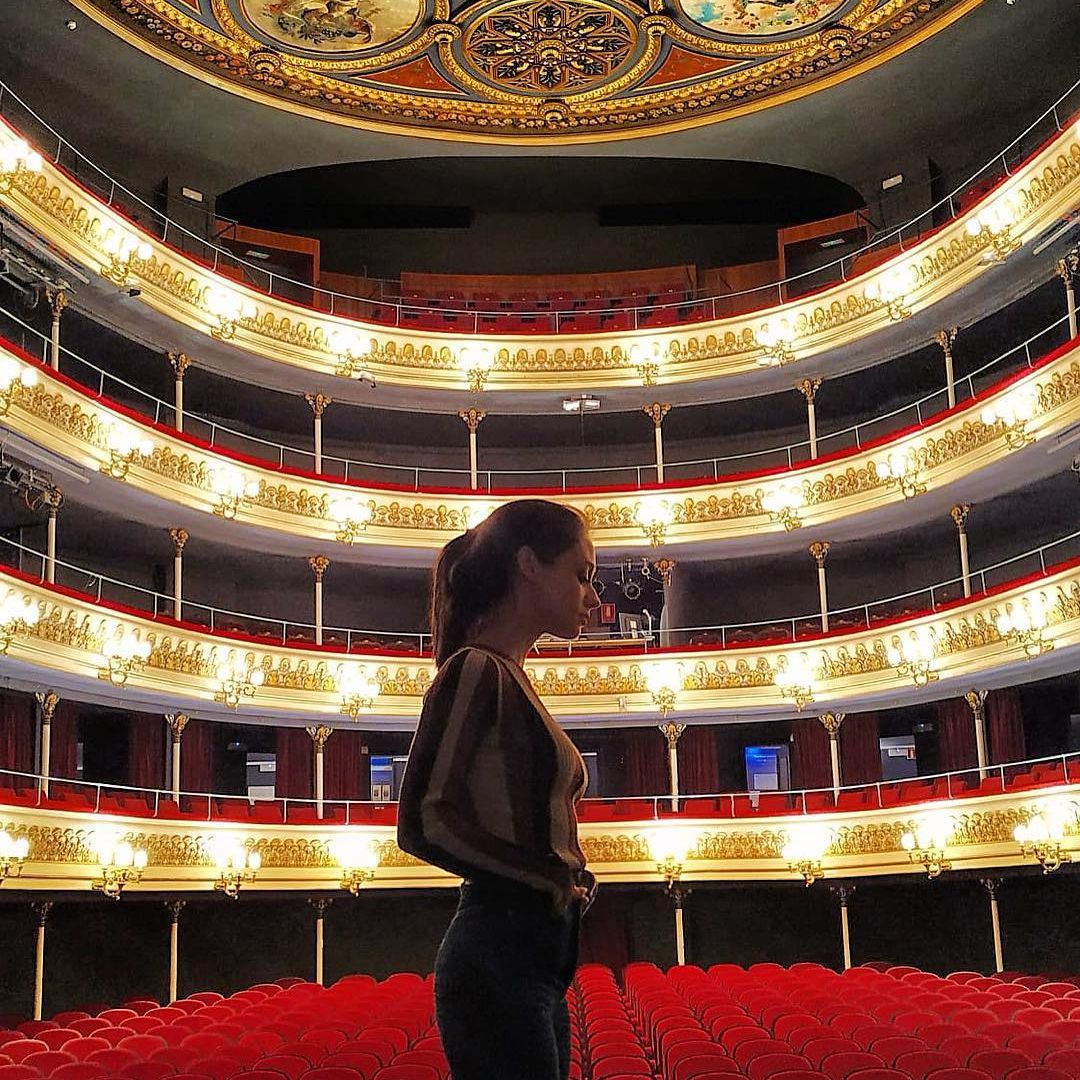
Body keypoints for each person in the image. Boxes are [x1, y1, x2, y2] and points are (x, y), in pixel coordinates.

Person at [397, 499, 601, 1079]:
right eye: (581, 575)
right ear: (529, 565)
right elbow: (423, 819)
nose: (592, 597)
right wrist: (542, 876)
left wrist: (563, 875)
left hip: (532, 959)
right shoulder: (475, 669)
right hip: (497, 954)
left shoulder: (509, 676)